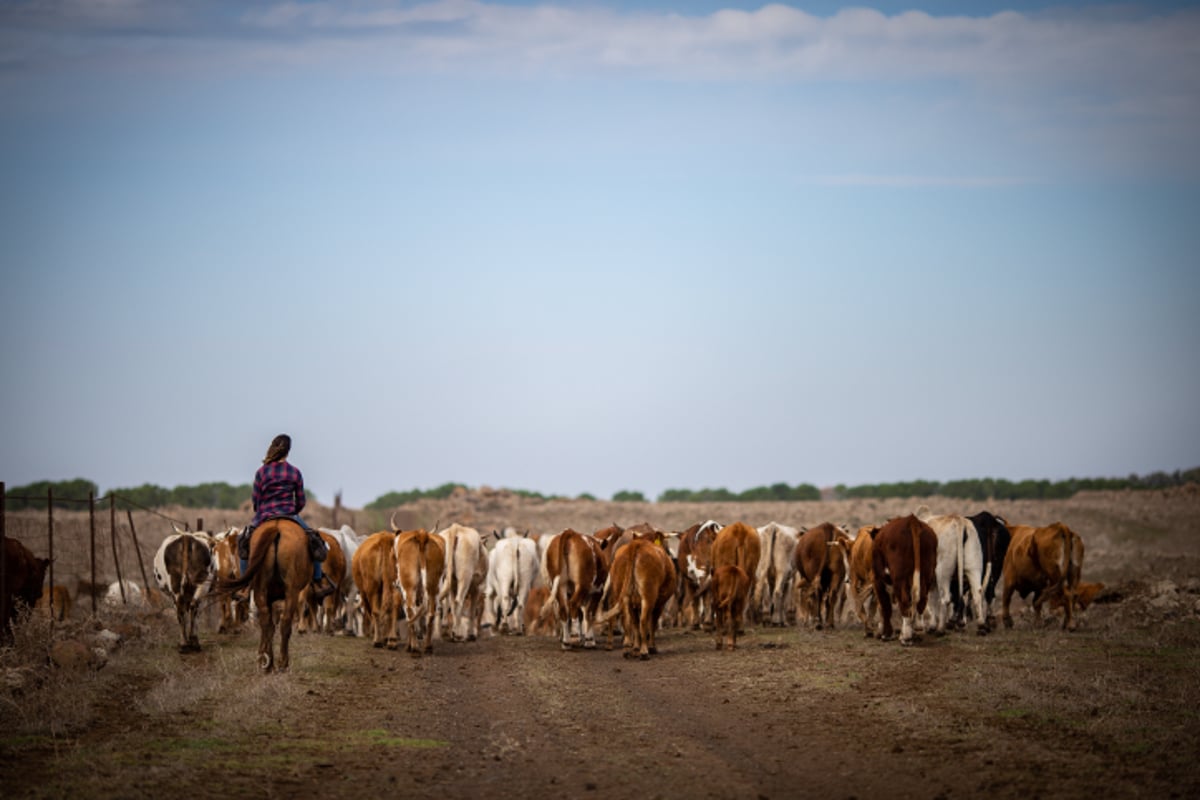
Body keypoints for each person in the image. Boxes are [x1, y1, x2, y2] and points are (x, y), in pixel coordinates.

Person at [236, 434, 335, 601]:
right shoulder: (295, 472)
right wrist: (292, 511)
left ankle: (244, 586)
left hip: (264, 516)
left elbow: (255, 500)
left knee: (243, 541)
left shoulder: (261, 472)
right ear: (288, 451)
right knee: (314, 539)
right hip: (289, 515)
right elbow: (301, 500)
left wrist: (261, 509)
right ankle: (318, 582)